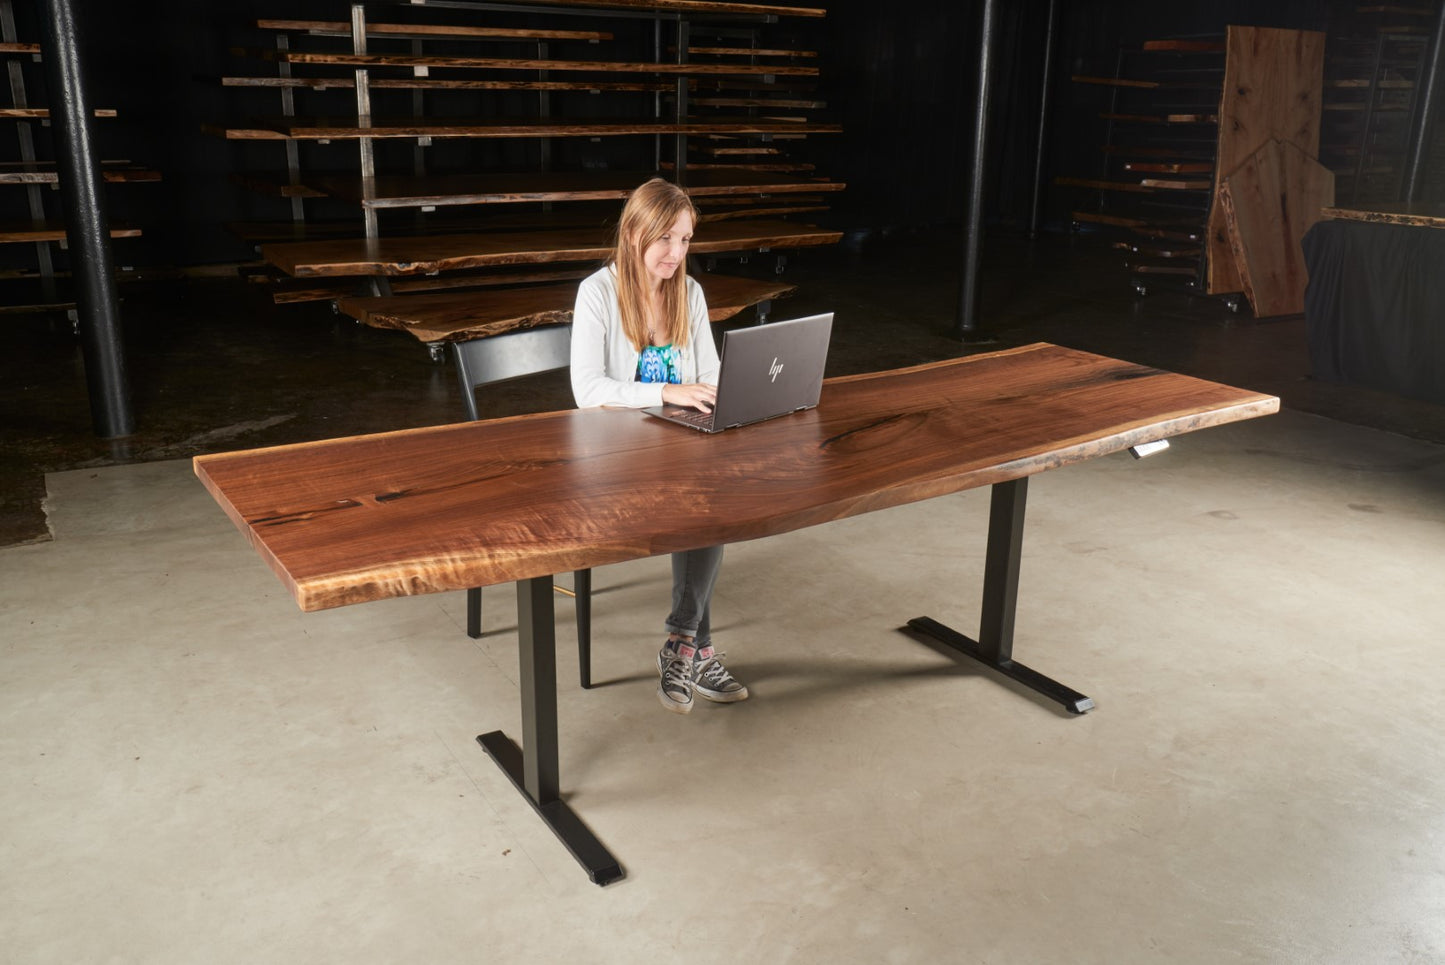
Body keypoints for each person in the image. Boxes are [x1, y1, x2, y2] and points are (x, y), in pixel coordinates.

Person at [570, 177, 749, 715]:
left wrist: (719, 396)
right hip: (613, 452)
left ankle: (684, 645)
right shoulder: (597, 292)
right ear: (634, 234)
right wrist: (667, 390)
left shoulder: (688, 292)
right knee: (705, 504)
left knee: (711, 495)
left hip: (679, 444)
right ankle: (693, 646)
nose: (677, 254)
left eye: (687, 240)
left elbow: (713, 373)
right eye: (665, 239)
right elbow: (587, 390)